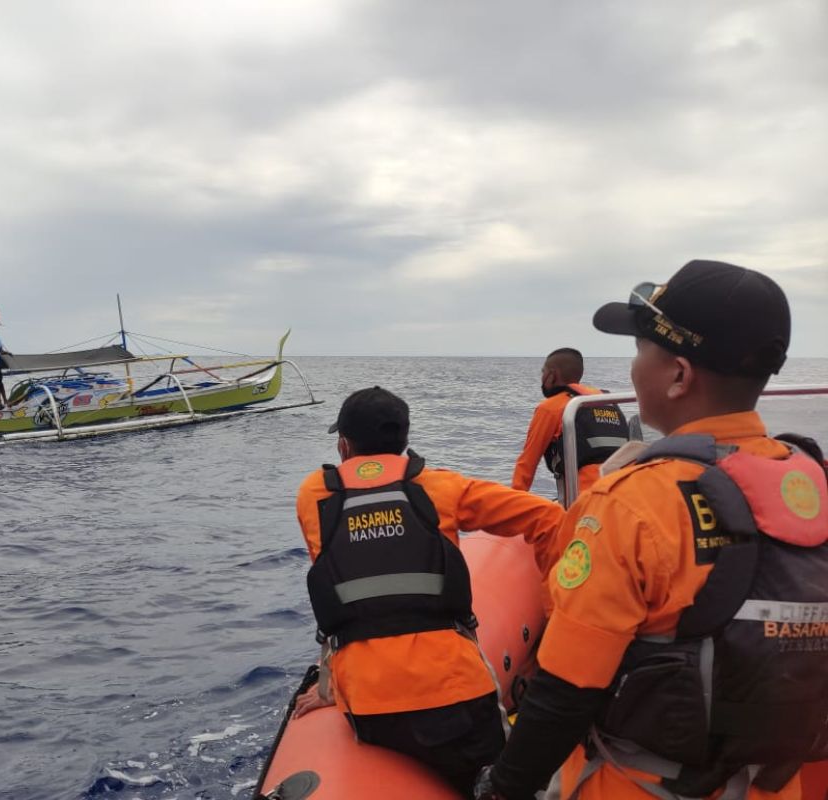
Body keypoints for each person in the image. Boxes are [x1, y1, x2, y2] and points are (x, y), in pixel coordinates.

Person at [476, 260, 828, 800]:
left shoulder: (629, 505)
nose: (635, 368)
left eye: (641, 350)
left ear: (680, 375)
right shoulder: (813, 481)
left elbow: (566, 692)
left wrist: (501, 790)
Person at [291, 386, 565, 794]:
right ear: (404, 441)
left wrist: (328, 688)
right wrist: (558, 609)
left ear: (343, 445)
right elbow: (550, 517)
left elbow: (337, 598)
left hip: (369, 707)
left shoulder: (314, 495)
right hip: (457, 698)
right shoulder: (442, 488)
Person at [511, 347, 630, 498]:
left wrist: (513, 504)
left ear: (552, 375)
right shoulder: (606, 401)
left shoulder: (551, 408)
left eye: (543, 372)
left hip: (587, 499)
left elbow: (527, 464)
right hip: (624, 491)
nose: (542, 378)